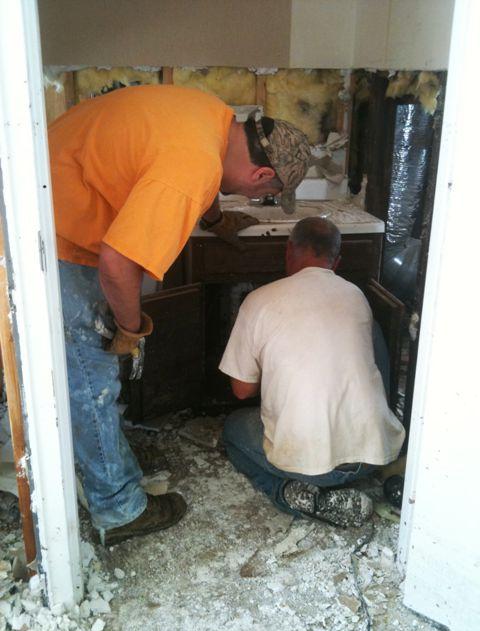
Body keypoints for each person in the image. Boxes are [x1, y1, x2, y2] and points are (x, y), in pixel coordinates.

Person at [48, 84, 311, 545]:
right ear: (262, 174)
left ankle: (106, 468)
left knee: (93, 366)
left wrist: (213, 220)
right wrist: (131, 331)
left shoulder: (213, 117)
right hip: (53, 224)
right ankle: (118, 507)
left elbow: (201, 176)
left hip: (57, 184)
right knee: (92, 371)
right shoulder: (193, 165)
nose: (261, 199)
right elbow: (117, 263)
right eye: (270, 193)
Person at [219, 217, 405, 527]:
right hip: (371, 458)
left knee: (233, 430)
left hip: (306, 465)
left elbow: (241, 390)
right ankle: (332, 483)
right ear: (337, 261)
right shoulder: (356, 296)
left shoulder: (258, 301)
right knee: (370, 335)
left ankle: (289, 493)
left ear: (288, 250)